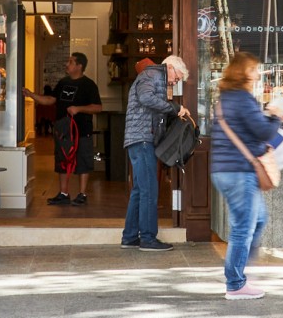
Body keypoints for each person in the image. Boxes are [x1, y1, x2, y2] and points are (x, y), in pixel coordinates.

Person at [210, 52, 283, 299]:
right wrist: (276, 115)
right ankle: (235, 283)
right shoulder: (243, 99)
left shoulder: (225, 99)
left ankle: (242, 269)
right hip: (239, 171)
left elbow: (248, 130)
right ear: (243, 72)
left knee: (258, 220)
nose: (258, 74)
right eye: (254, 69)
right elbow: (263, 132)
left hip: (224, 169)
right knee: (243, 228)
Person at [120, 54, 191, 251]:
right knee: (150, 189)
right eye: (176, 77)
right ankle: (148, 238)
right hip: (142, 139)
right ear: (169, 67)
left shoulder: (153, 77)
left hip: (138, 138)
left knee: (140, 190)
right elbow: (145, 98)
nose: (175, 82)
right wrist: (174, 108)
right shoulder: (152, 74)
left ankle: (130, 237)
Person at [27, 53, 102, 206]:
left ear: (79, 66)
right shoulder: (63, 83)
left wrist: (78, 109)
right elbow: (50, 100)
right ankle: (63, 193)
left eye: (70, 62)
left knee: (83, 160)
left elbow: (98, 107)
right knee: (62, 160)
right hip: (63, 131)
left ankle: (82, 194)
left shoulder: (89, 85)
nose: (67, 64)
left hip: (82, 130)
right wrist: (31, 95)